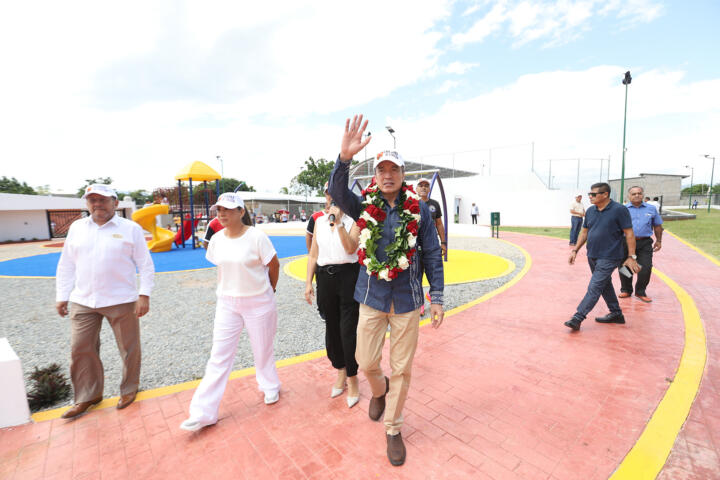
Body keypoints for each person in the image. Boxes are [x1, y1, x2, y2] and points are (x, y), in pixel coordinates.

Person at [329, 115, 444, 467]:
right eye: (382, 170)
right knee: (365, 362)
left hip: (408, 300)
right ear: (376, 177)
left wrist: (436, 296)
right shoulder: (364, 206)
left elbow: (432, 254)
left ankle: (393, 428)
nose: (388, 175)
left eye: (394, 170)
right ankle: (379, 390)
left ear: (403, 175)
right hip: (371, 297)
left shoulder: (420, 211)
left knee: (403, 368)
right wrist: (344, 158)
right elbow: (336, 192)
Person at [180, 192, 281, 432]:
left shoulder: (257, 237)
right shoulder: (216, 240)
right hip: (227, 304)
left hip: (258, 302)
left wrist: (269, 290)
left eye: (227, 209)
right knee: (219, 356)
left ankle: (270, 386)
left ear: (241, 212)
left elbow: (274, 265)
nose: (222, 214)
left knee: (262, 350)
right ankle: (203, 412)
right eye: (219, 210)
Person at [56, 184, 155, 418]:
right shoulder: (77, 228)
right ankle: (88, 396)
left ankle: (129, 389)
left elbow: (145, 264)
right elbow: (66, 264)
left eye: (103, 200)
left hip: (122, 299)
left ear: (115, 203)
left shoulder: (130, 229)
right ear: (87, 204)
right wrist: (62, 296)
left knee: (129, 349)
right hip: (83, 300)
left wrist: (144, 295)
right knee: (81, 348)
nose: (97, 204)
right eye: (92, 200)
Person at [304, 200, 361, 408]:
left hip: (348, 277)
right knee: (332, 328)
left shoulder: (354, 221)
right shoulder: (318, 222)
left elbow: (350, 248)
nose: (331, 201)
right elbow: (313, 254)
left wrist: (338, 224)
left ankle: (353, 377)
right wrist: (308, 282)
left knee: (348, 330)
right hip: (325, 278)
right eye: (328, 196)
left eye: (335, 196)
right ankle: (340, 370)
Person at [565, 182, 640, 331]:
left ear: (605, 194)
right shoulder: (591, 211)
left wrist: (632, 257)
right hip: (592, 254)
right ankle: (616, 313)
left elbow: (629, 233)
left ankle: (578, 317)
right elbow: (584, 232)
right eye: (589, 194)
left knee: (595, 286)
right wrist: (575, 250)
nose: (590, 197)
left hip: (610, 255)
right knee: (604, 284)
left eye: (593, 194)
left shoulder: (619, 210)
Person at [618, 186, 664, 302]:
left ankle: (640, 291)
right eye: (633, 194)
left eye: (639, 193)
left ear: (643, 195)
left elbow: (657, 226)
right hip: (626, 242)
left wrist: (659, 240)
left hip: (644, 242)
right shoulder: (622, 209)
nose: (636, 195)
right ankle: (626, 290)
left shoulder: (651, 209)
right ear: (629, 196)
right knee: (625, 267)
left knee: (646, 267)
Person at [415, 178, 447, 256]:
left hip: (431, 241)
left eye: (426, 186)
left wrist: (443, 242)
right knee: (417, 267)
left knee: (432, 266)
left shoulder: (435, 204)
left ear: (429, 189)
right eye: (421, 186)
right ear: (416, 189)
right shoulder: (411, 202)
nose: (423, 188)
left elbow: (439, 224)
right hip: (415, 242)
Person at [305, 182, 332, 252]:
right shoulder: (315, 217)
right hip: (321, 259)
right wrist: (311, 253)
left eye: (334, 192)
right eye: (328, 193)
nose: (331, 196)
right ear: (325, 195)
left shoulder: (347, 215)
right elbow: (309, 235)